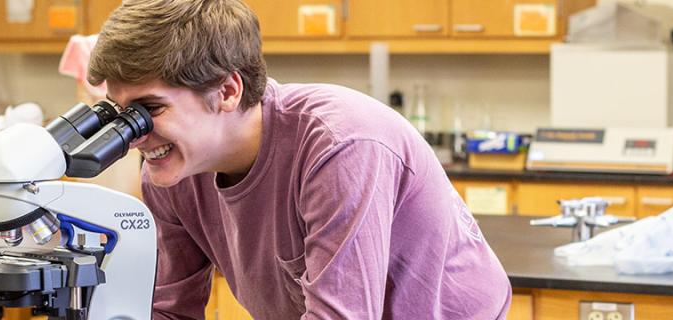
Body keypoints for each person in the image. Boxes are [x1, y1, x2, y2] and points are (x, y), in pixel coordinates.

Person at [87, 0, 511, 318]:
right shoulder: (174, 170)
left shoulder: (339, 145)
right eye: (121, 112)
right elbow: (171, 312)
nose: (136, 134)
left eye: (150, 110)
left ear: (227, 91)